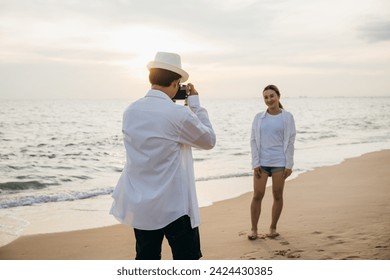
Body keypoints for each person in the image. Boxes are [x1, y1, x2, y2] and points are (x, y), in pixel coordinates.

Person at [110, 52, 216, 260]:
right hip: (174, 205)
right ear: (176, 83)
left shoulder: (130, 111)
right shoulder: (178, 115)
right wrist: (194, 104)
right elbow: (208, 140)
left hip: (141, 203)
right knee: (187, 260)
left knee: (147, 260)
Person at [248, 84, 296, 240]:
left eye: (271, 96)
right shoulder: (258, 118)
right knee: (257, 195)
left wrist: (289, 164)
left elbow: (290, 141)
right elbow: (253, 141)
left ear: (278, 97)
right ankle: (254, 229)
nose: (269, 100)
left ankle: (273, 227)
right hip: (262, 163)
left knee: (277, 195)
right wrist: (255, 163)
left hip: (279, 162)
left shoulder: (287, 117)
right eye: (266, 97)